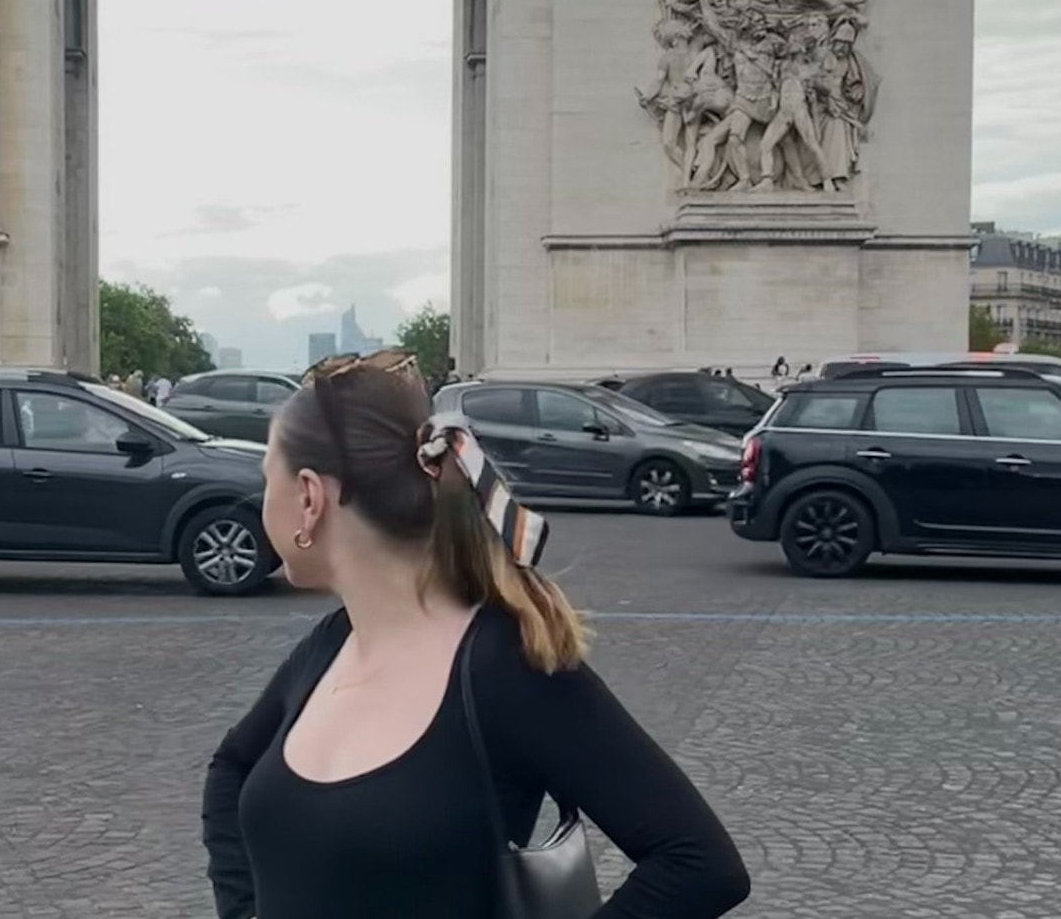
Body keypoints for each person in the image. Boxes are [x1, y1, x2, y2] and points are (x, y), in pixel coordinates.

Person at [202, 350, 750, 919]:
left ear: (309, 498)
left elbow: (698, 864)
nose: (262, 499)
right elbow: (231, 768)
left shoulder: (503, 665)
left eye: (268, 478)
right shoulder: (331, 644)